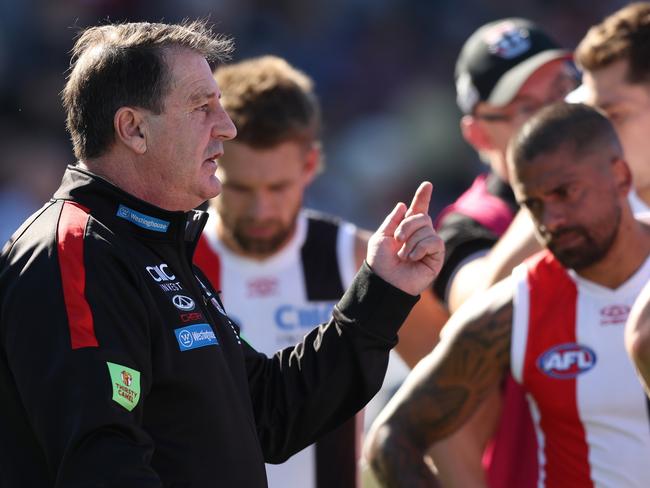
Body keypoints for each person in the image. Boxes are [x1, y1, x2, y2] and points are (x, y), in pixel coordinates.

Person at [0, 21, 445, 487]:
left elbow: (271, 412)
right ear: (133, 128)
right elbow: (101, 465)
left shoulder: (153, 244)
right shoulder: (75, 251)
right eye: (201, 107)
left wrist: (382, 291)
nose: (227, 128)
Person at [192, 55, 448, 488]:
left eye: (277, 187)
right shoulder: (171, 261)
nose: (261, 210)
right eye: (240, 188)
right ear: (210, 162)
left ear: (309, 166)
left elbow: (453, 385)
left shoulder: (361, 260)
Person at [365, 102, 650, 487]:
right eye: (532, 205)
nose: (551, 220)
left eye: (565, 193)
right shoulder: (516, 307)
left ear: (620, 175)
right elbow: (391, 439)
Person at [417, 18, 578, 488]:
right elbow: (479, 302)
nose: (558, 115)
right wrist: (561, 197)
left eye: (564, 91)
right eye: (530, 106)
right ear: (479, 134)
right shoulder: (464, 228)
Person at [476, 2, 650, 290]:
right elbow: (488, 295)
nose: (596, 132)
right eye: (592, 111)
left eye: (615, 114)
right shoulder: (582, 187)